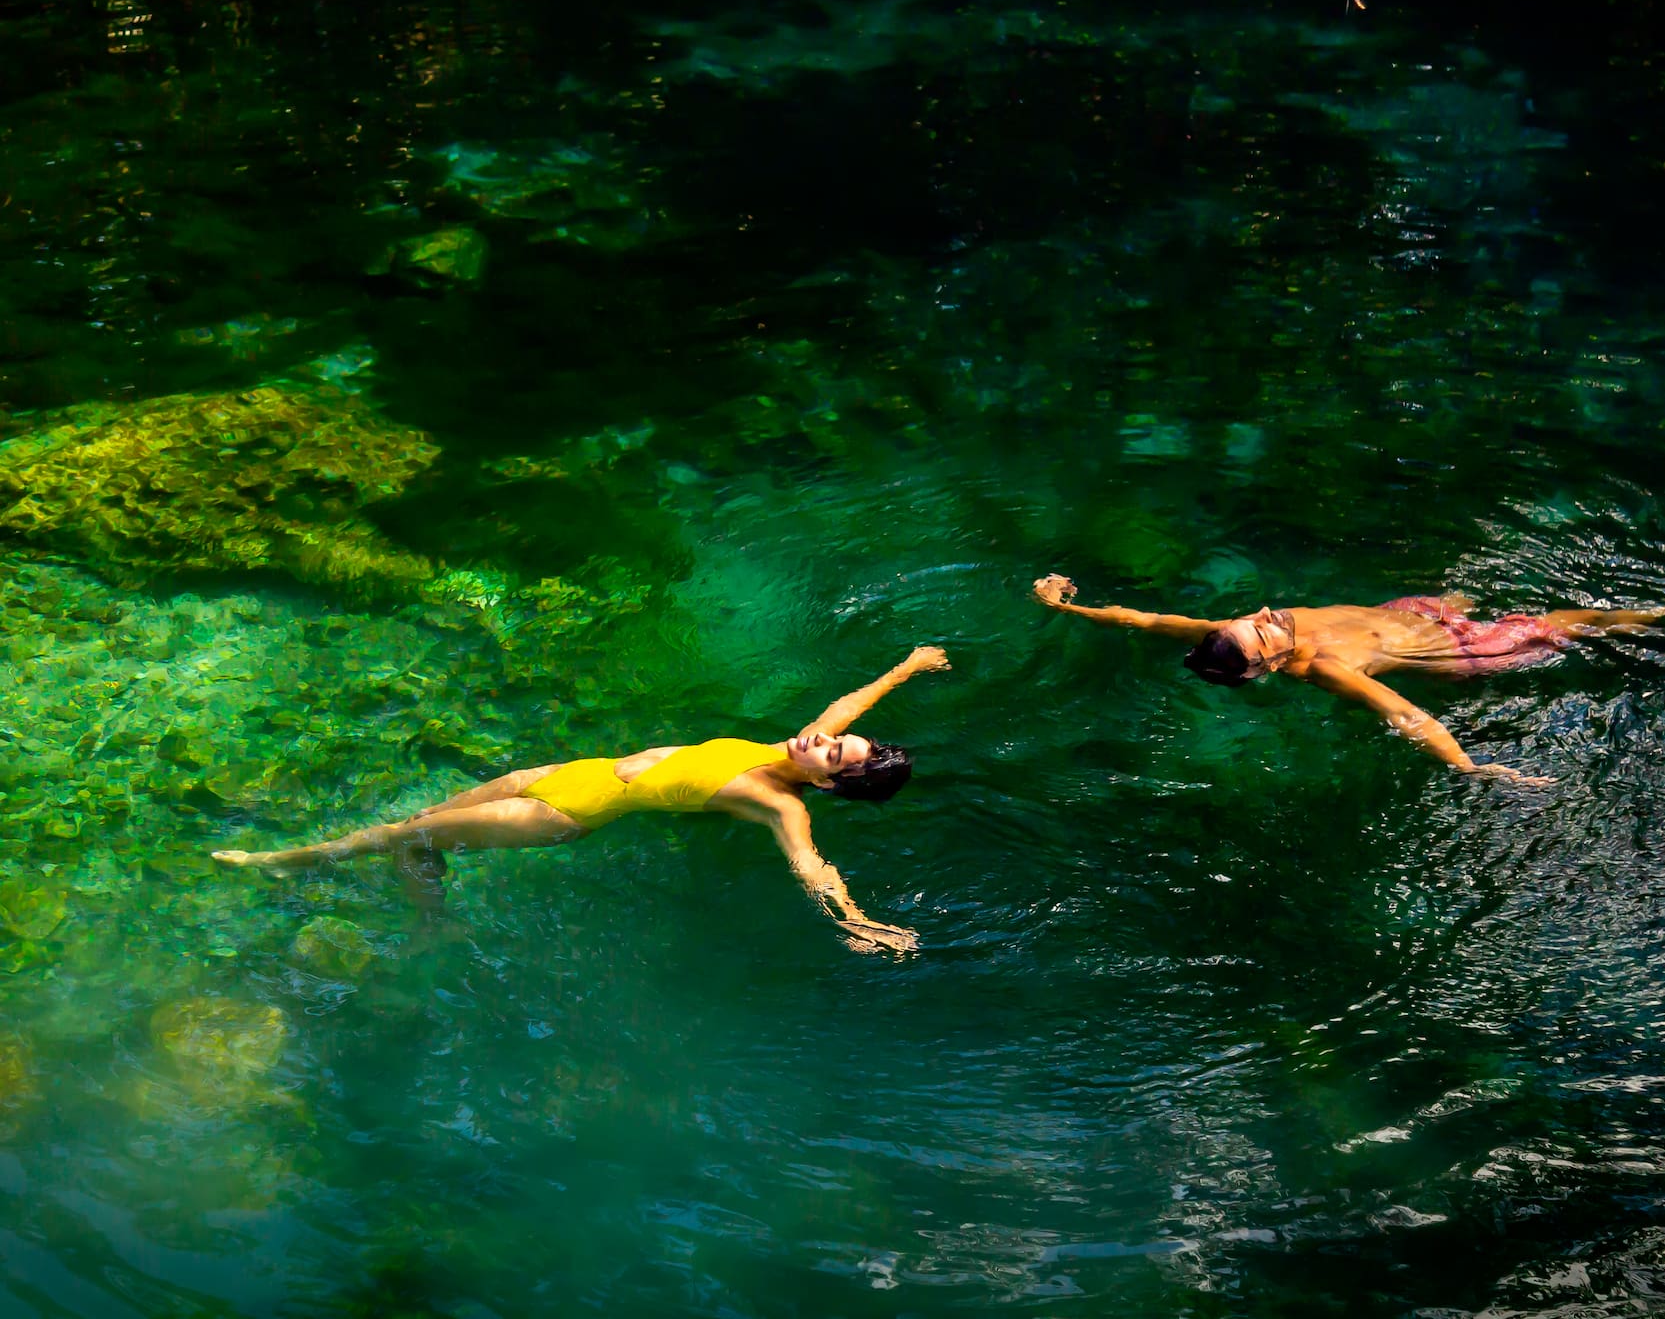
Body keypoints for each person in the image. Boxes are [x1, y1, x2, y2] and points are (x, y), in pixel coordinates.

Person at [213, 644, 951, 953]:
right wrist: (908, 669)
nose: (822, 739)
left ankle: (291, 863)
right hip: (565, 772)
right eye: (832, 739)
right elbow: (847, 703)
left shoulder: (782, 799)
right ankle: (424, 908)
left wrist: (860, 922)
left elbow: (810, 866)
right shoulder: (803, 744)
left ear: (826, 782)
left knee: (406, 838)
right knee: (422, 826)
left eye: (832, 753)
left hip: (562, 814)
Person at [1033, 575, 1665, 786]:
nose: (1265, 615)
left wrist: (1066, 607)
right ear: (1271, 667)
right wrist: (1471, 768)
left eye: (1260, 617)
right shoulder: (1324, 670)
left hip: (1404, 614)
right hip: (1461, 650)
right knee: (1567, 624)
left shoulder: (1244, 628)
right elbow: (1406, 714)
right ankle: (1652, 616)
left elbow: (1147, 619)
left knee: (1457, 592)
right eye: (1266, 632)